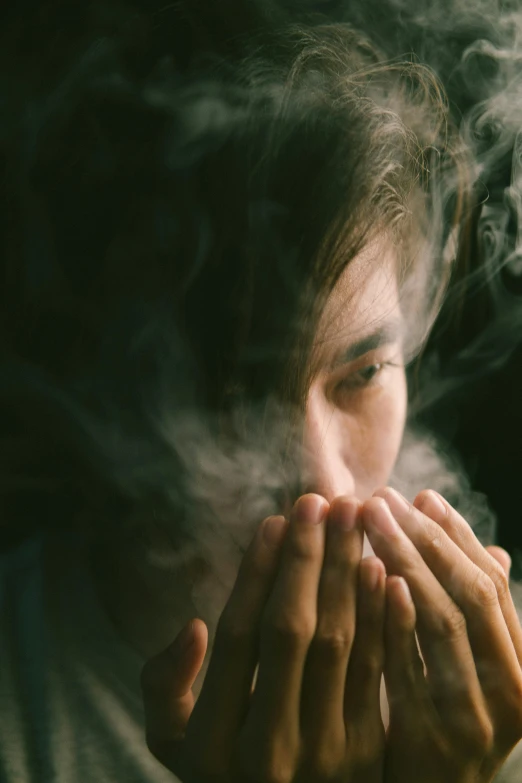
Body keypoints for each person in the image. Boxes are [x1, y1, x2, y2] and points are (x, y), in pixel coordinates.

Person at [1, 3, 522, 782]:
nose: (322, 484)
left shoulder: (495, 695)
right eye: (232, 393)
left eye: (364, 373)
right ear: (114, 384)